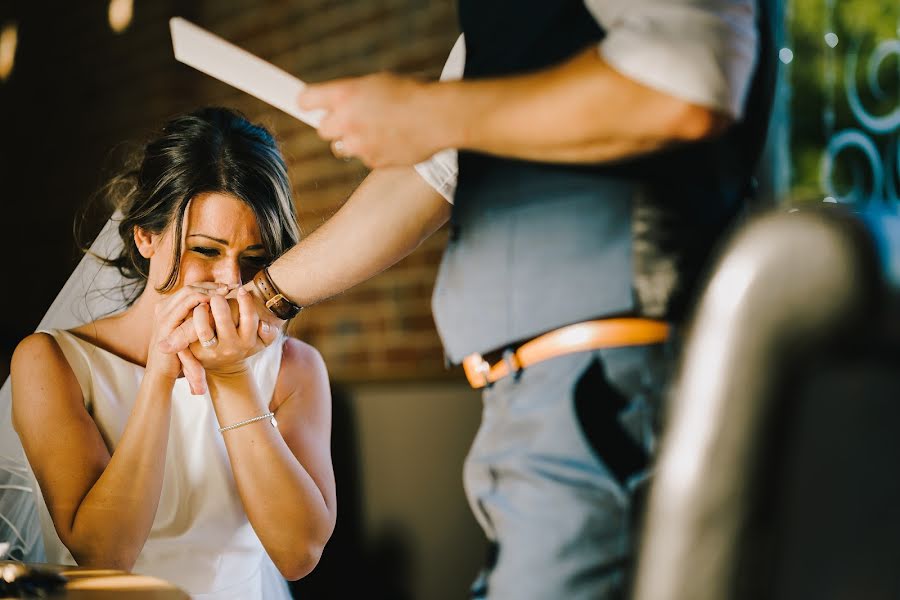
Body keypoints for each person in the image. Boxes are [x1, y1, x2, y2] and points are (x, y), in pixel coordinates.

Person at [161, 1, 776, 597]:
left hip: (604, 376)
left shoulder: (301, 376)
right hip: (525, 395)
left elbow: (689, 76)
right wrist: (265, 296)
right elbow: (433, 177)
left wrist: (433, 111)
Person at [9, 107, 336, 599]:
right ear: (145, 236)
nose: (232, 280)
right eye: (206, 250)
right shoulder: (52, 363)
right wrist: (159, 376)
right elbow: (104, 556)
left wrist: (230, 377)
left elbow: (298, 555)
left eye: (255, 259)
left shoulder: (296, 369)